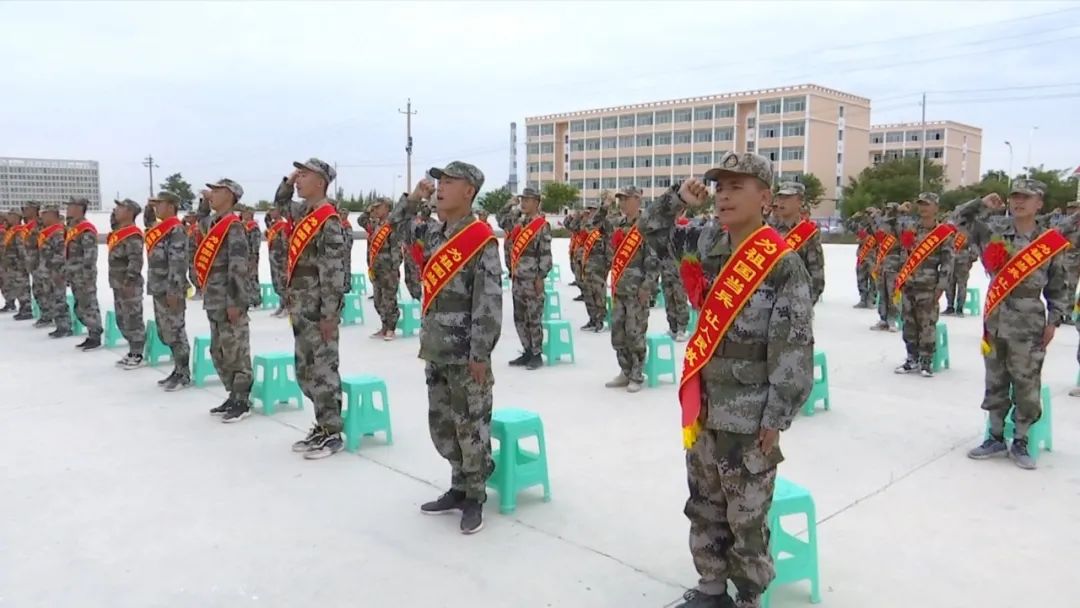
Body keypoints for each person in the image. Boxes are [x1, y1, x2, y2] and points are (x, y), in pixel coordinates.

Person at [654, 152, 812, 608]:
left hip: (750, 413)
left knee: (747, 514)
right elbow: (653, 234)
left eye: (736, 187)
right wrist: (677, 199)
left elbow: (793, 347)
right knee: (704, 501)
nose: (723, 195)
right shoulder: (708, 243)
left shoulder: (781, 264)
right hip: (705, 403)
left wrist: (776, 417)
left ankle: (747, 596)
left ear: (765, 198)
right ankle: (710, 587)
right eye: (719, 187)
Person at [390, 162, 501, 535]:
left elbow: (488, 301)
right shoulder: (434, 233)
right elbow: (394, 227)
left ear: (469, 191)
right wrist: (413, 198)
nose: (440, 187)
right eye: (439, 182)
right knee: (443, 425)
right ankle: (458, 486)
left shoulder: (481, 239)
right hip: (436, 345)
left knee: (471, 425)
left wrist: (480, 354)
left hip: (465, 351)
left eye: (449, 182)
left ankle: (475, 496)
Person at [953, 181, 1070, 470]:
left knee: (1026, 384)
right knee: (995, 381)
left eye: (1026, 197)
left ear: (1039, 203)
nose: (1019, 201)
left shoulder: (1049, 242)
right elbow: (957, 221)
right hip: (995, 319)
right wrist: (981, 203)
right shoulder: (994, 230)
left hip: (1029, 322)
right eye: (1015, 196)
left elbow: (1059, 287)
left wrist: (1054, 321)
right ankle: (994, 437)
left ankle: (1021, 440)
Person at [275, 159, 348, 458]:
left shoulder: (327, 220)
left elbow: (333, 272)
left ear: (320, 182)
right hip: (301, 306)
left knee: (323, 369)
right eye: (298, 175)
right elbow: (281, 203)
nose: (298, 180)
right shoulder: (304, 213)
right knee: (305, 370)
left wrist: (330, 314)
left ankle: (332, 432)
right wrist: (288, 179)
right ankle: (321, 424)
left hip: (319, 309)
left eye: (304, 175)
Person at [197, 179, 253, 423]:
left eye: (217, 191)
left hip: (229, 298)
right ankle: (232, 394)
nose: (212, 194)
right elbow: (200, 221)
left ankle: (242, 400)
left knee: (235, 351)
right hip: (213, 297)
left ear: (230, 196)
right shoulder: (214, 223)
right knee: (218, 351)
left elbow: (238, 266)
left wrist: (235, 301)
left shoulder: (234, 226)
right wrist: (203, 201)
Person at [601, 187, 659, 392]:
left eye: (626, 199)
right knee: (618, 333)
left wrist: (647, 287)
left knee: (635, 333)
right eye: (620, 200)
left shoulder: (647, 226)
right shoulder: (618, 224)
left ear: (637, 199)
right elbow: (597, 225)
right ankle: (625, 371)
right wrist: (605, 206)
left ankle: (636, 375)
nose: (622, 203)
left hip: (637, 290)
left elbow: (654, 261)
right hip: (619, 288)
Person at [892, 193, 954, 377]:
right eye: (920, 204)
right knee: (908, 323)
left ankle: (926, 361)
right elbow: (901, 251)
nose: (923, 208)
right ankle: (911, 358)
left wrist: (941, 287)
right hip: (908, 284)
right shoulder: (910, 229)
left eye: (927, 204)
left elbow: (948, 262)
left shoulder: (943, 234)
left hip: (929, 286)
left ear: (936, 207)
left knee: (927, 324)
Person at [146, 191, 191, 391]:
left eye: (160, 204)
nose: (156, 207)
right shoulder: (159, 228)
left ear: (171, 206)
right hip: (159, 287)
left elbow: (178, 262)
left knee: (176, 331)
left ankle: (183, 373)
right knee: (165, 331)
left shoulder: (176, 229)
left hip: (171, 289)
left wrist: (174, 290)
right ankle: (177, 369)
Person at [507, 187, 552, 369]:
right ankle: (526, 350)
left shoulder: (541, 225)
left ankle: (536, 354)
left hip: (532, 278)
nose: (523, 203)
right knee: (519, 317)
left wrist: (541, 277)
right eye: (522, 200)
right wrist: (510, 205)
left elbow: (546, 254)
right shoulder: (519, 223)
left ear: (536, 202)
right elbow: (502, 221)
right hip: (518, 277)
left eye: (527, 200)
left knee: (534, 317)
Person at [768, 182, 825, 305]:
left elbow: (817, 275)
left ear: (800, 201)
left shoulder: (808, 233)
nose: (781, 202)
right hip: (766, 301)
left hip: (795, 301)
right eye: (780, 197)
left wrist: (806, 306)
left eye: (787, 197)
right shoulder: (767, 229)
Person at [362, 197, 408, 340]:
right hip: (375, 268)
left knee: (389, 300)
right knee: (378, 300)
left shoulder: (391, 226)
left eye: (378, 207)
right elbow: (361, 220)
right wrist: (368, 210)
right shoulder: (374, 224)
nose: (375, 210)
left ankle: (391, 328)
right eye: (374, 207)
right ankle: (383, 326)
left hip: (388, 269)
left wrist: (394, 268)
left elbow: (396, 249)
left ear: (387, 208)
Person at [108, 199, 147, 369]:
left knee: (133, 318)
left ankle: (138, 353)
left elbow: (136, 260)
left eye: (120, 207)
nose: (116, 210)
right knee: (122, 319)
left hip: (129, 285)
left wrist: (129, 280)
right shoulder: (119, 231)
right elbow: (113, 222)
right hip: (118, 283)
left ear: (130, 212)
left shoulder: (132, 234)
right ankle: (132, 350)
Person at [64, 197, 104, 350]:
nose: (68, 209)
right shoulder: (73, 228)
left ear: (79, 208)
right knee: (81, 306)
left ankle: (95, 335)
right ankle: (91, 333)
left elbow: (90, 255)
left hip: (83, 275)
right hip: (75, 274)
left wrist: (87, 277)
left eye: (71, 206)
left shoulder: (86, 229)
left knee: (89, 304)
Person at [37, 203, 73, 339]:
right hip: (48, 272)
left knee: (59, 299)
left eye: (44, 214)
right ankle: (59, 325)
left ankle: (65, 327)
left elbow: (61, 254)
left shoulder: (57, 232)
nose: (42, 217)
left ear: (52, 215)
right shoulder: (47, 231)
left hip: (56, 272)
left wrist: (57, 272)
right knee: (52, 298)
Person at [870, 202, 906, 331]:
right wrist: (874, 217)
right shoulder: (883, 225)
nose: (888, 211)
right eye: (887, 209)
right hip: (882, 262)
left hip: (894, 262)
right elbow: (876, 238)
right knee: (882, 292)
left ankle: (893, 319)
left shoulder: (900, 224)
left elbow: (904, 245)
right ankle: (883, 318)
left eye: (890, 209)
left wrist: (903, 263)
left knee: (892, 292)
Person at [579, 200, 611, 331]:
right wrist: (579, 216)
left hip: (600, 263)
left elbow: (609, 244)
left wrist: (608, 263)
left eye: (594, 209)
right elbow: (572, 226)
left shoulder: (604, 224)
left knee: (598, 292)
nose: (591, 211)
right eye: (590, 209)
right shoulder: (587, 224)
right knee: (588, 292)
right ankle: (592, 319)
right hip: (587, 263)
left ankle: (600, 320)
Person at [20, 202, 52, 329]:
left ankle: (49, 316)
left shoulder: (40, 224)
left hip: (42, 263)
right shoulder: (28, 225)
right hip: (33, 263)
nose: (24, 210)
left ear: (34, 210)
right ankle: (45, 315)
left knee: (45, 291)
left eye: (27, 208)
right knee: (38, 291)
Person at [2, 210, 32, 319]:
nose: (8, 218)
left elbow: (22, 249)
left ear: (16, 217)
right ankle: (23, 309)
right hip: (12, 265)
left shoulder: (18, 231)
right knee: (17, 287)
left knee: (22, 287)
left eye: (10, 216)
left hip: (18, 265)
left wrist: (23, 264)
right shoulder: (11, 230)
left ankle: (26, 309)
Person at [944, 220, 978, 316]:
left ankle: (958, 308)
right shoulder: (950, 230)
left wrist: (969, 260)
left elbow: (974, 250)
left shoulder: (967, 233)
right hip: (952, 262)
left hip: (961, 262)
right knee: (950, 285)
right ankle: (950, 307)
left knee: (961, 286)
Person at [265, 207, 291, 317]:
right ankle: (282, 305)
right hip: (273, 258)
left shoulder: (282, 226)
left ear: (279, 211)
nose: (271, 213)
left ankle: (288, 306)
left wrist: (285, 259)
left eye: (273, 210)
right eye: (270, 211)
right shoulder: (272, 225)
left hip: (281, 258)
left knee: (283, 282)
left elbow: (285, 243)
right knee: (276, 282)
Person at [240, 205, 263, 309]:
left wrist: (254, 255)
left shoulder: (253, 227)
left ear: (251, 214)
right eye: (243, 213)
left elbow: (256, 243)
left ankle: (256, 300)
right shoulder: (243, 225)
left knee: (253, 277)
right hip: (244, 256)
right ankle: (249, 299)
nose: (243, 215)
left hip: (251, 256)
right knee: (246, 278)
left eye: (246, 213)